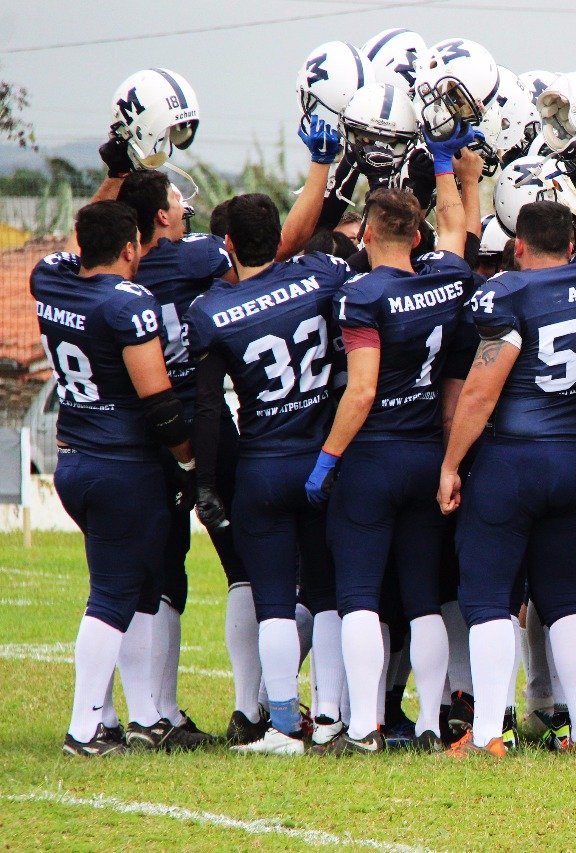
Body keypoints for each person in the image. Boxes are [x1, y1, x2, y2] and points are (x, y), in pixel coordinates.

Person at [109, 114, 338, 745]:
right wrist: (323, 164)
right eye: (175, 199)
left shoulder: (101, 272)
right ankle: (254, 707)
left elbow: (91, 241)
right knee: (252, 573)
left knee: (135, 578)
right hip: (208, 429)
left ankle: (140, 714)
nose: (185, 203)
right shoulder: (207, 261)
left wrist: (114, 173)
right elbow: (284, 243)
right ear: (157, 218)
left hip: (129, 434)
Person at [438, 143, 576, 758]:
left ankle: (490, 732)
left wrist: (450, 464)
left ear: (517, 246)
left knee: (490, 596)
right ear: (574, 243)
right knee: (566, 597)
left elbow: (479, 394)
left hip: (513, 460)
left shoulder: (508, 293)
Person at [310, 135, 478, 756]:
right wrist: (442, 161)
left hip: (373, 457)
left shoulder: (362, 294)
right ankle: (431, 726)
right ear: (417, 234)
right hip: (426, 455)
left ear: (367, 234)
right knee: (421, 596)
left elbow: (359, 394)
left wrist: (326, 459)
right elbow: (458, 225)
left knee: (357, 595)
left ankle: (362, 729)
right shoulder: (448, 276)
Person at [184, 193, 351, 756]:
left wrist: (205, 483)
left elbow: (209, 409)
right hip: (323, 457)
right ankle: (329, 719)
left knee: (275, 600)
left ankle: (281, 726)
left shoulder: (210, 310)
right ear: (281, 235)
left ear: (227, 244)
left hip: (262, 465)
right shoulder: (323, 275)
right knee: (327, 596)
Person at [36, 201, 203, 754]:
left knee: (136, 589)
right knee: (112, 595)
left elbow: (71, 245)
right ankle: (85, 729)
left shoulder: (52, 282)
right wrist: (185, 456)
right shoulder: (127, 303)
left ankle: (143, 716)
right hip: (120, 464)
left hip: (77, 456)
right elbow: (158, 402)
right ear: (131, 247)